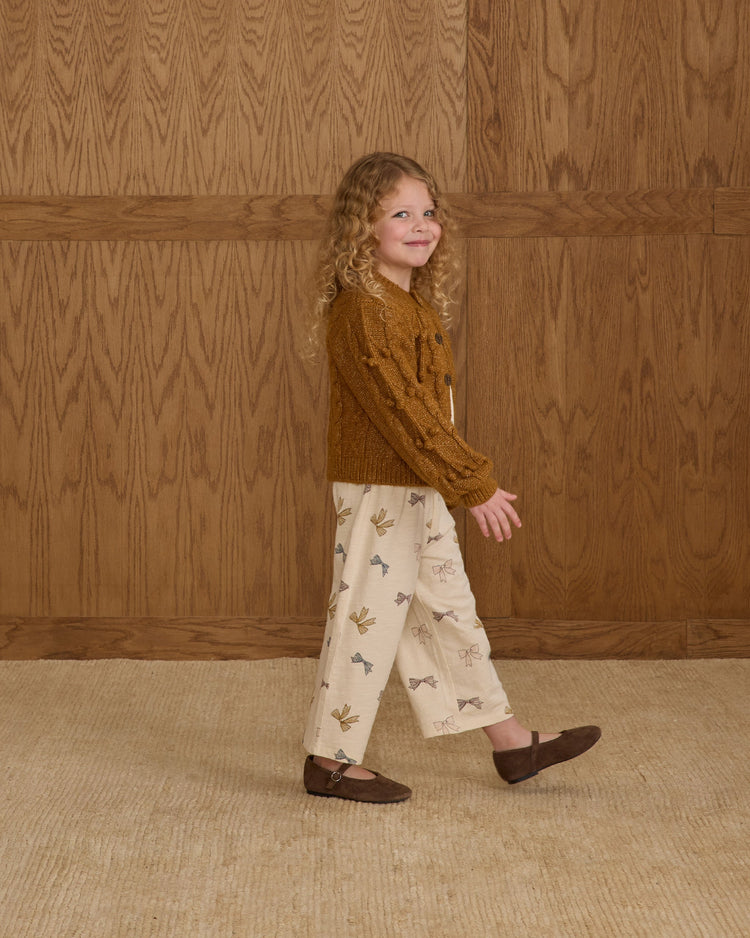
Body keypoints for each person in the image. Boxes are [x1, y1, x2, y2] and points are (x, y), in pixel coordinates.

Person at [302, 152, 600, 803]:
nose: (421, 225)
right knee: (366, 617)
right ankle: (329, 760)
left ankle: (511, 743)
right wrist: (472, 481)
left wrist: (451, 480)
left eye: (429, 212)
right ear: (363, 228)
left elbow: (424, 413)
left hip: (419, 482)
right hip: (382, 488)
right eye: (400, 214)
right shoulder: (363, 309)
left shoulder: (407, 304)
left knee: (447, 611)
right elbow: (402, 412)